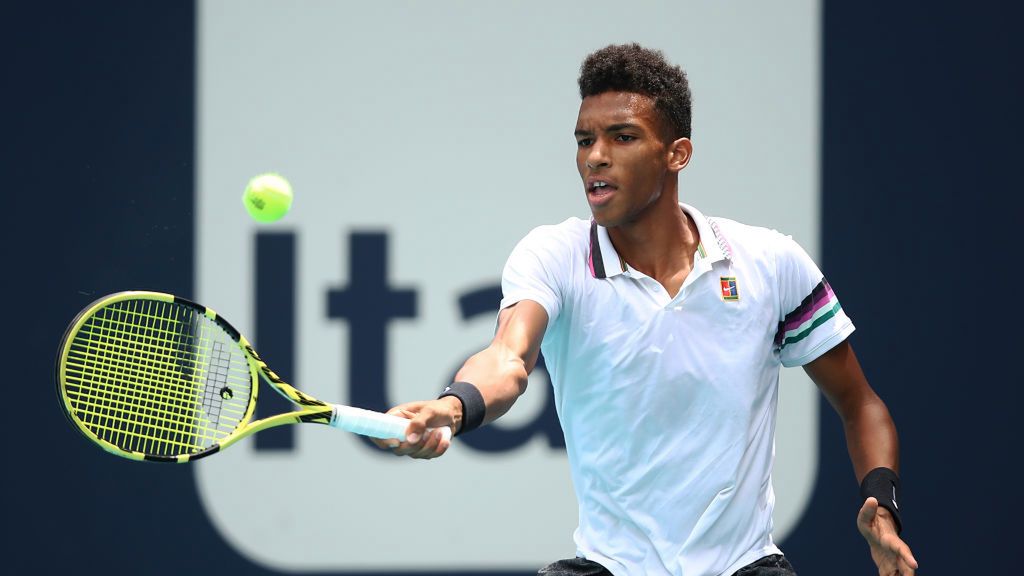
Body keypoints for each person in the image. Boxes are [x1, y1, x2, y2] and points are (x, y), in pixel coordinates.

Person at [374, 43, 918, 576]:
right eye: (585, 140)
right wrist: (452, 405)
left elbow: (860, 404)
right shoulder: (554, 256)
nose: (596, 156)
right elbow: (507, 360)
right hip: (609, 567)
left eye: (623, 136)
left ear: (677, 153)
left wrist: (882, 505)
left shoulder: (770, 263)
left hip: (744, 565)